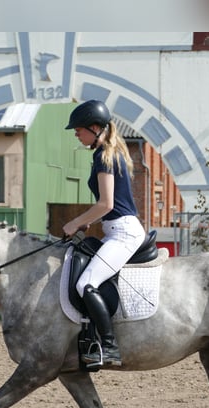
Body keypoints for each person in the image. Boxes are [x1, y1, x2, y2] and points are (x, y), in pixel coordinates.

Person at [62, 99, 146, 368]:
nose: (76, 134)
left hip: (124, 233)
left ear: (95, 128)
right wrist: (89, 222)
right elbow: (110, 205)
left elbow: (106, 204)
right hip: (115, 229)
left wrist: (75, 223)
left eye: (79, 130)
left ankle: (108, 347)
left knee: (85, 283)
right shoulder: (107, 153)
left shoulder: (104, 156)